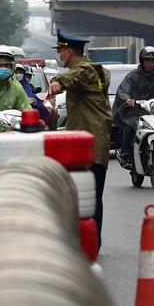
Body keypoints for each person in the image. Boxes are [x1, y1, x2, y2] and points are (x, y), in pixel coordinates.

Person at [49, 31, 112, 245]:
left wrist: (57, 83)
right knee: (81, 195)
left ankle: (91, 242)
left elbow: (72, 78)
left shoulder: (86, 70)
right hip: (84, 144)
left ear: (69, 51)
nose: (58, 55)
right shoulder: (88, 71)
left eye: (60, 50)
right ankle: (85, 240)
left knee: (91, 197)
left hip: (92, 145)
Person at [114, 46, 154, 167]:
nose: (149, 63)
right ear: (142, 61)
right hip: (134, 111)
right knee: (130, 126)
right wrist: (128, 99)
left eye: (152, 61)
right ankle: (125, 155)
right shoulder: (132, 76)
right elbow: (122, 90)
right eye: (147, 60)